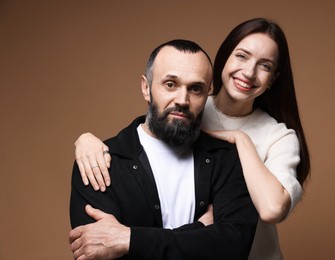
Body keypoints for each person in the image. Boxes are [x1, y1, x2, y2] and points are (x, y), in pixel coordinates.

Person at [74, 18, 311, 259]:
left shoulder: (271, 140)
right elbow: (154, 122)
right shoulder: (188, 108)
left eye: (265, 66)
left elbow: (255, 222)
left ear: (273, 78)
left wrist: (242, 140)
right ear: (225, 58)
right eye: (241, 56)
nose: (249, 72)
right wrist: (86, 140)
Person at [69, 39, 258, 260]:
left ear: (208, 93)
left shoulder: (226, 159)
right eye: (170, 84)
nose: (182, 100)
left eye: (196, 89)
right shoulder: (99, 162)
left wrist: (129, 239)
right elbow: (94, 253)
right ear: (146, 88)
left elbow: (233, 248)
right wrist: (198, 229)